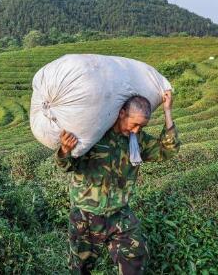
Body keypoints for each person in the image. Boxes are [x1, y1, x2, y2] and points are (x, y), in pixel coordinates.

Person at [55, 91, 180, 275]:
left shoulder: (137, 140)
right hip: (86, 216)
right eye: (135, 124)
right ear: (122, 113)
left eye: (142, 126)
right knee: (80, 268)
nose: (137, 129)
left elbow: (168, 150)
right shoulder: (95, 135)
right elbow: (67, 166)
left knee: (135, 259)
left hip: (120, 214)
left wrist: (167, 111)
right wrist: (65, 150)